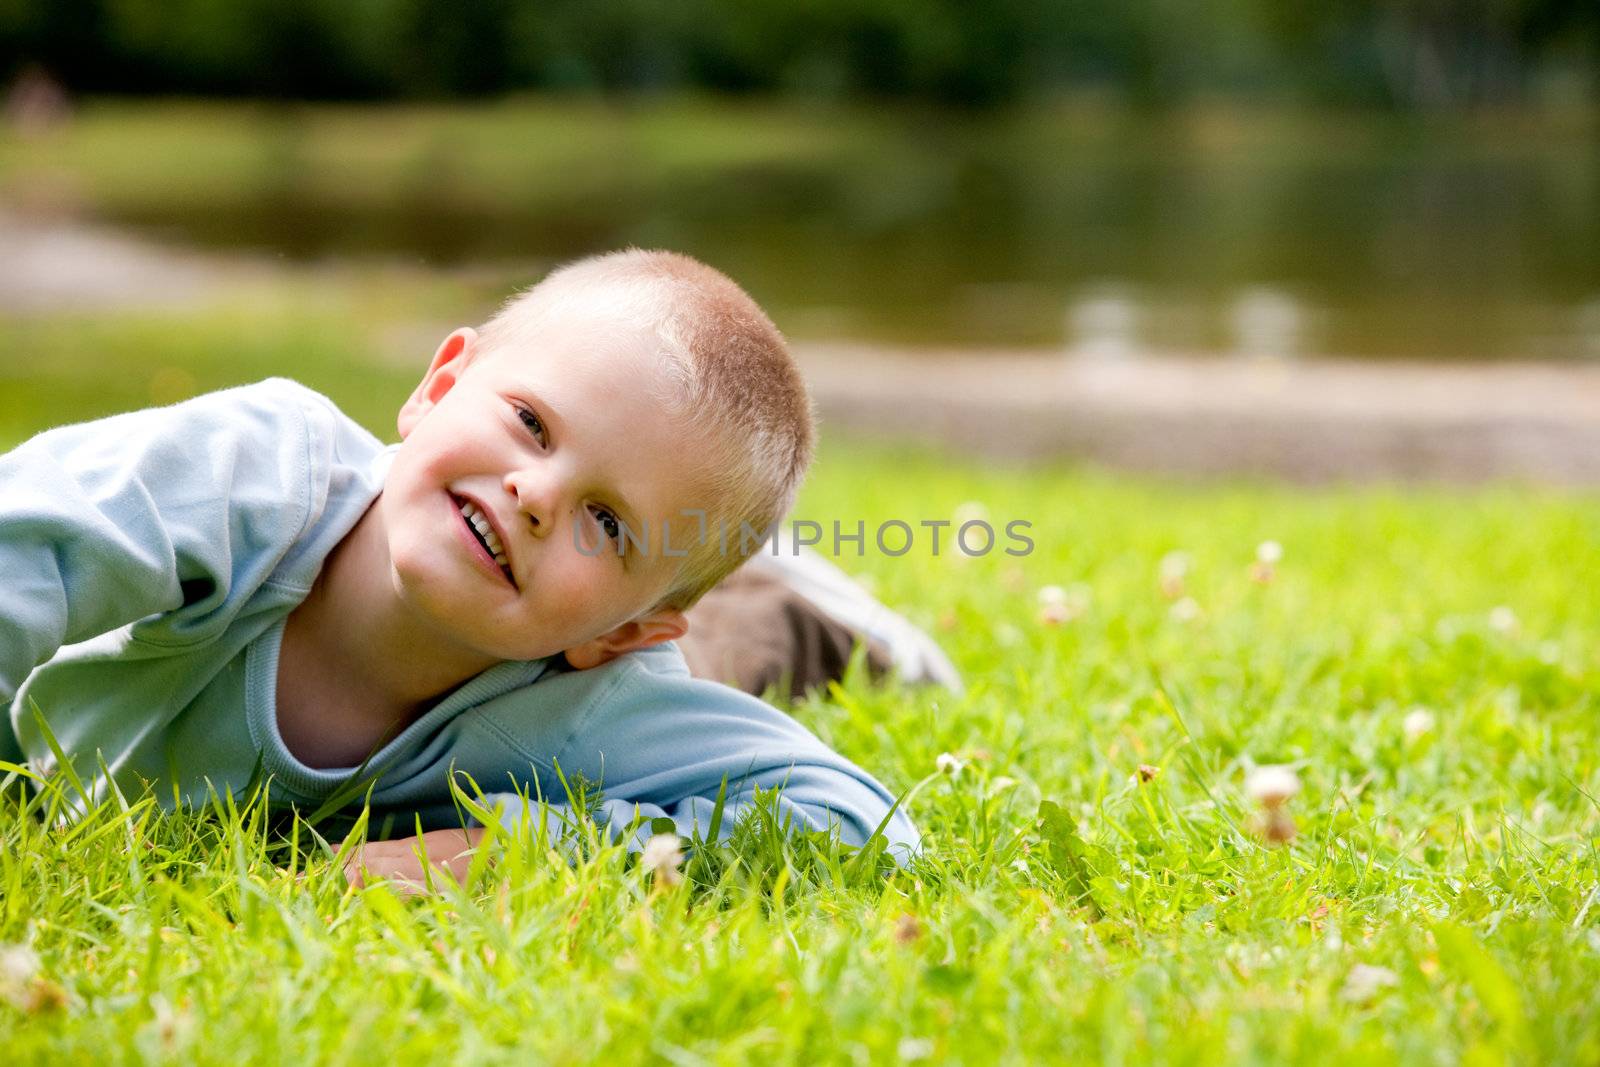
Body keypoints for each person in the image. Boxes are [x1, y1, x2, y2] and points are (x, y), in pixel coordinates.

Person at [0, 250, 950, 887]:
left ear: (622, 631)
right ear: (438, 384)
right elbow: (24, 541)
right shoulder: (251, 474)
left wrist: (512, 846)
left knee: (730, 647)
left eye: (607, 519)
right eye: (531, 423)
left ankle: (795, 605)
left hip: (601, 653)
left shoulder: (606, 686)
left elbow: (868, 832)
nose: (535, 492)